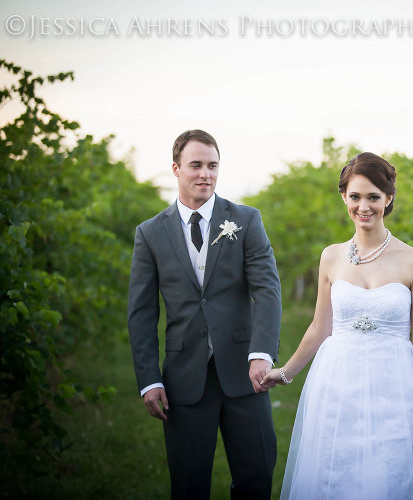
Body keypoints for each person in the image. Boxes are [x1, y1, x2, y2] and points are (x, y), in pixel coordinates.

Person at [261, 152, 413, 499]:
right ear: (344, 197)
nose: (364, 206)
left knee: (390, 477)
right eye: (356, 196)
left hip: (394, 388)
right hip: (336, 386)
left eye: (373, 197)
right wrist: (286, 371)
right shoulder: (331, 256)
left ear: (388, 199)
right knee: (336, 477)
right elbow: (319, 328)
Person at [127, 130, 281, 500]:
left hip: (246, 374)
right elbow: (142, 311)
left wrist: (261, 352)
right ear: (176, 169)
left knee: (257, 476)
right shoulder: (150, 233)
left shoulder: (245, 220)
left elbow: (267, 289)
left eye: (212, 166)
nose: (205, 174)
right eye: (195, 165)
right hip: (184, 376)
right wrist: (149, 379)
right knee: (188, 485)